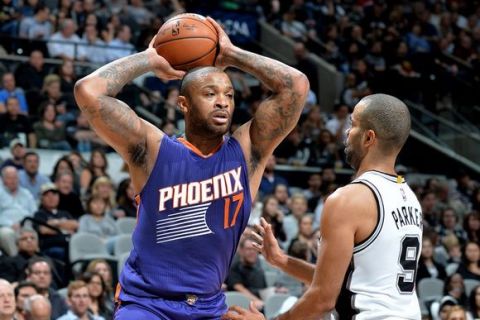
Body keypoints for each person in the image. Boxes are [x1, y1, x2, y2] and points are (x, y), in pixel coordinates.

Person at [74, 15, 309, 319]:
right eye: (210, 94)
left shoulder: (248, 151)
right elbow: (88, 91)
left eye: (229, 95)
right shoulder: (153, 149)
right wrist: (149, 58)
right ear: (183, 104)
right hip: (147, 304)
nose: (222, 102)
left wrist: (232, 54)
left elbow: (296, 86)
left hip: (209, 306)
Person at [224, 94, 423, 319]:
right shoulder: (408, 197)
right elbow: (346, 282)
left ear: (369, 138)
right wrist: (281, 260)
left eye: (353, 125)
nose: (347, 132)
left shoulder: (349, 199)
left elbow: (323, 298)